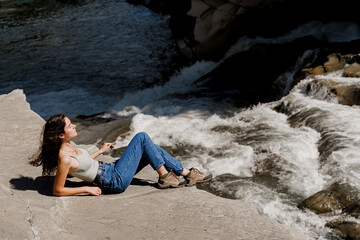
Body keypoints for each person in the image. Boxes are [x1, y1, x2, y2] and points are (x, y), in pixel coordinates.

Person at [30, 113, 212, 196]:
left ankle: (186, 174)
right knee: (141, 137)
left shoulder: (69, 147)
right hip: (113, 181)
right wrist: (86, 188)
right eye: (70, 126)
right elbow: (58, 190)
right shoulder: (64, 159)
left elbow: (81, 164)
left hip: (110, 170)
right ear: (61, 135)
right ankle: (166, 176)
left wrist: (100, 151)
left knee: (151, 148)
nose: (74, 126)